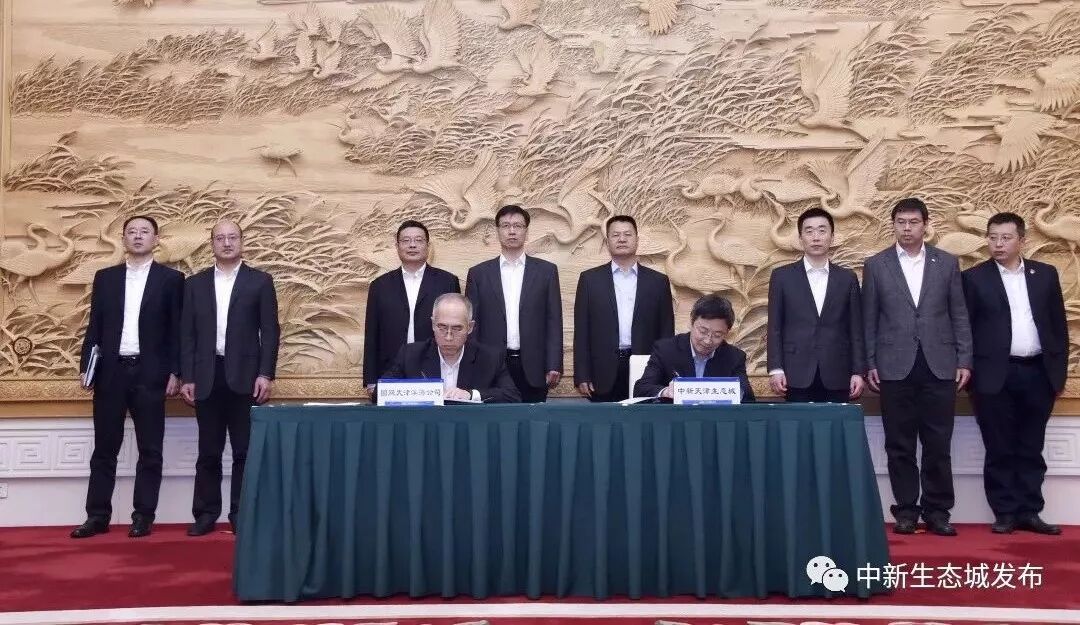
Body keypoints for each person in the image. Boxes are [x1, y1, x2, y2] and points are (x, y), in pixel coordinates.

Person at [863, 197, 972, 537]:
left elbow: (959, 314)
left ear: (926, 225)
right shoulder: (876, 265)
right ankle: (907, 511)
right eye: (901, 222)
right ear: (893, 225)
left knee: (938, 443)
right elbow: (869, 319)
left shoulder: (946, 262)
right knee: (899, 444)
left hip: (939, 365)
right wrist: (870, 361)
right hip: (894, 366)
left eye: (913, 222)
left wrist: (964, 359)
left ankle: (938, 511)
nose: (907, 228)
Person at [70, 216, 184, 539]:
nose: (137, 236)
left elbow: (177, 330)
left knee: (150, 449)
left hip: (151, 373)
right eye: (131, 232)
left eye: (144, 232)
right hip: (111, 373)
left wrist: (176, 371)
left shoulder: (172, 279)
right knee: (104, 449)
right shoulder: (105, 278)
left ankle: (143, 516)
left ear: (156, 239)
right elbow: (94, 326)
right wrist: (87, 366)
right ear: (123, 239)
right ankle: (97, 516)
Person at [962, 211, 1068, 535]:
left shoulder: (1045, 275)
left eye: (1006, 238)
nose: (998, 244)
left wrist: (1058, 374)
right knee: (999, 447)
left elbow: (1058, 327)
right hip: (994, 376)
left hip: (1038, 373)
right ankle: (1005, 512)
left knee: (1031, 447)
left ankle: (1030, 511)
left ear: (1022, 240)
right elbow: (964, 330)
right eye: (993, 237)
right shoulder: (974, 278)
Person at [179, 220, 279, 536]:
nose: (226, 243)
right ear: (212, 243)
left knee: (243, 452)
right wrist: (187, 376)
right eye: (220, 238)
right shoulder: (195, 284)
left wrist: (265, 373)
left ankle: (241, 513)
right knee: (208, 451)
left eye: (232, 237)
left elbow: (270, 331)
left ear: (241, 242)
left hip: (246, 377)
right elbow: (187, 335)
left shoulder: (260, 281)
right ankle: (206, 514)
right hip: (206, 376)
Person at [767, 208, 866, 402]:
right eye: (809, 231)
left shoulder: (847, 278)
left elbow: (855, 328)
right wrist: (776, 368)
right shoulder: (782, 277)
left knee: (835, 422)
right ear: (800, 238)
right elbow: (775, 327)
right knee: (800, 421)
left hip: (838, 371)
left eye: (822, 230)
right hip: (795, 372)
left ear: (832, 237)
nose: (816, 237)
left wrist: (858, 371)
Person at [465, 205, 562, 402]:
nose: (511, 231)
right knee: (495, 419)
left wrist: (554, 363)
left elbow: (553, 320)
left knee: (532, 419)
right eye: (505, 226)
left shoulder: (546, 272)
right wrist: (472, 364)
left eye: (517, 226)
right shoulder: (479, 274)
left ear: (526, 231)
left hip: (533, 367)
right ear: (497, 231)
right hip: (491, 365)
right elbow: (473, 325)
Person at [574, 215, 674, 402]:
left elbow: (666, 330)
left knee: (642, 418)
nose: (622, 239)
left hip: (646, 368)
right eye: (615, 235)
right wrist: (582, 374)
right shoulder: (590, 280)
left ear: (637, 240)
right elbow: (582, 330)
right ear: (607, 242)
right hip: (601, 371)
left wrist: (665, 371)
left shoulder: (658, 281)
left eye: (627, 234)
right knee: (604, 420)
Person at [363, 220, 460, 392]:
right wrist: (371, 379)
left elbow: (458, 328)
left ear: (428, 246)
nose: (412, 245)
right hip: (391, 369)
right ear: (397, 246)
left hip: (435, 366)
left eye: (418, 240)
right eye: (406, 241)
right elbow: (372, 333)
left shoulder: (447, 281)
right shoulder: (380, 285)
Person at [380, 293, 521, 403]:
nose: (448, 337)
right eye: (442, 327)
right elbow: (380, 393)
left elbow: (512, 396)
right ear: (433, 324)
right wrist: (424, 393)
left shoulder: (490, 358)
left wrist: (471, 395)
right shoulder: (411, 355)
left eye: (457, 328)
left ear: (470, 327)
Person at [634, 294, 755, 401]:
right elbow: (641, 389)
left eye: (717, 335)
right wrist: (666, 392)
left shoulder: (734, 357)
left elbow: (748, 397)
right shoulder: (665, 349)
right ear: (691, 322)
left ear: (727, 333)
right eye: (703, 331)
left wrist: (732, 392)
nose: (708, 340)